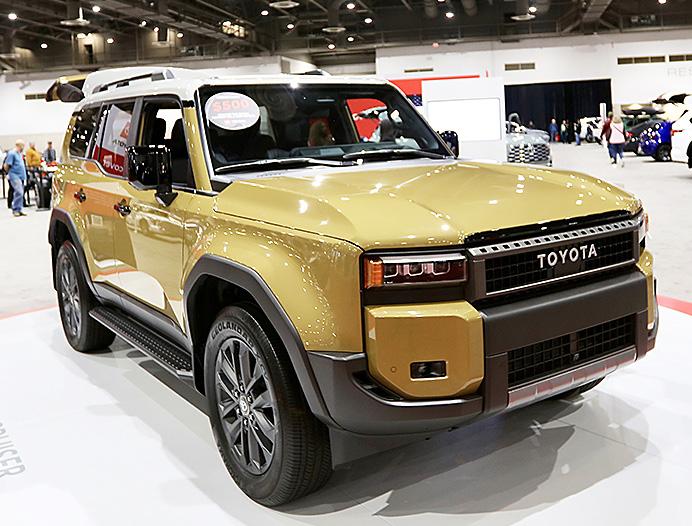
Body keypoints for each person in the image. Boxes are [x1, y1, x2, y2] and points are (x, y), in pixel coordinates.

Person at [4, 139, 27, 216]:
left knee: (21, 193)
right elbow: (6, 165)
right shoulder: (12, 153)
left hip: (21, 176)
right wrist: (8, 174)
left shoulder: (19, 154)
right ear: (18, 145)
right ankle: (15, 209)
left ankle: (19, 209)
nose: (23, 147)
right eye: (22, 146)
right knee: (19, 192)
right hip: (14, 176)